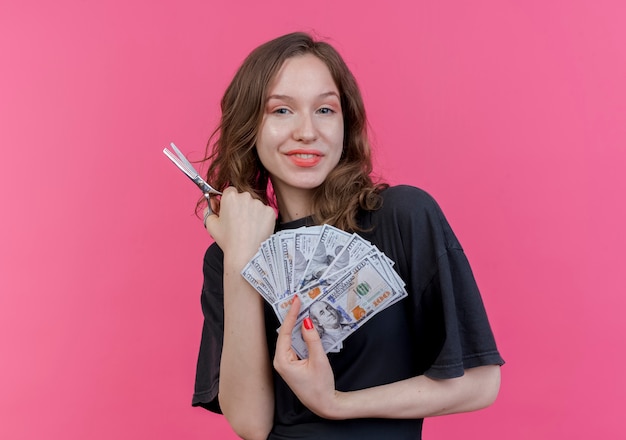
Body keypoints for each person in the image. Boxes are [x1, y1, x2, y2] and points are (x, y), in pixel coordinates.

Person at [192, 32, 504, 440]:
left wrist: (336, 403)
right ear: (251, 125)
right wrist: (238, 258)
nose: (307, 131)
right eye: (282, 110)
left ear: (346, 124)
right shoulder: (226, 256)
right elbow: (250, 423)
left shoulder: (401, 217)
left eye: (325, 109)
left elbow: (480, 382)